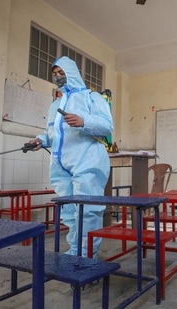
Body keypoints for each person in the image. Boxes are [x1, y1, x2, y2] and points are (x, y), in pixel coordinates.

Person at [29, 56, 114, 258]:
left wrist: (83, 121)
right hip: (61, 164)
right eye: (55, 74)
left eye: (62, 73)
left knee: (88, 210)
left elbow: (106, 126)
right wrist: (40, 140)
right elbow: (53, 134)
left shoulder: (92, 98)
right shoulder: (55, 105)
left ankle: (86, 255)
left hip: (88, 160)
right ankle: (75, 250)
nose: (58, 77)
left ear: (72, 73)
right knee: (68, 210)